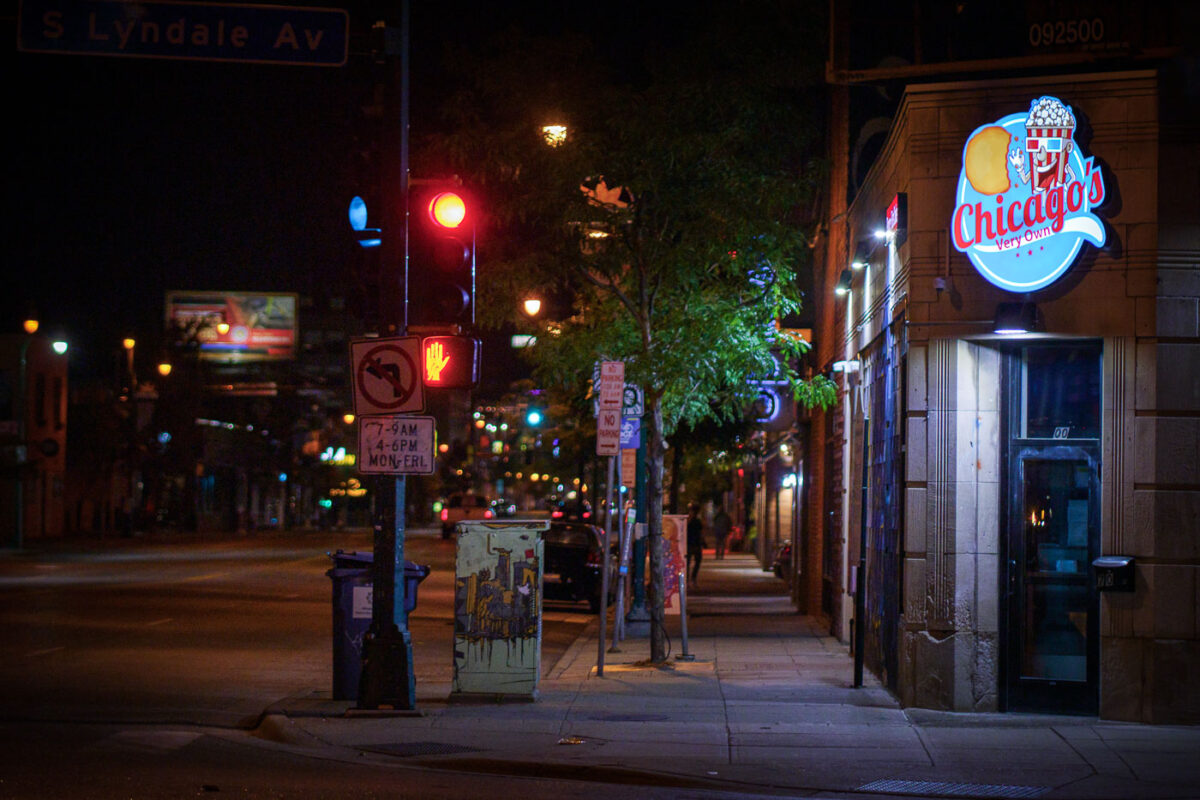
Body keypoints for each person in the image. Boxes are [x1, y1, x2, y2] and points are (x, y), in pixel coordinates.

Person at [686, 503, 704, 587]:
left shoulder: (696, 521)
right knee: (689, 562)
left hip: (694, 544)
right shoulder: (688, 520)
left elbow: (700, 532)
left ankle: (692, 579)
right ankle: (690, 579)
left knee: (696, 561)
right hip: (691, 544)